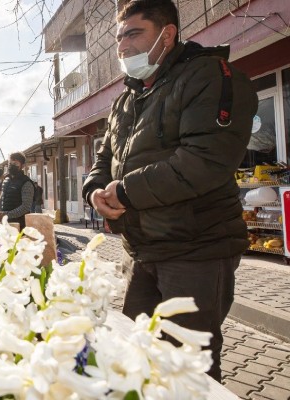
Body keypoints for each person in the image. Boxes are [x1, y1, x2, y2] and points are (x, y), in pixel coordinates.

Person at [81, 0, 257, 382]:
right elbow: (103, 158)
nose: (122, 47)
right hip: (142, 251)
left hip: (196, 250)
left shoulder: (210, 76)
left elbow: (205, 161)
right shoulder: (126, 99)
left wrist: (125, 193)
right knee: (139, 358)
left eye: (133, 33)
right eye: (118, 38)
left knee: (189, 369)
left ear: (168, 33)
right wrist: (94, 190)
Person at [0, 152, 34, 230]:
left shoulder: (26, 182)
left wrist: (7, 214)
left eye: (16, 163)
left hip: (20, 224)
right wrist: (0, 213)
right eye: (11, 163)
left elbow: (25, 207)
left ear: (22, 166)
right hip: (5, 223)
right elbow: (2, 198)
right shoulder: (6, 180)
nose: (12, 165)